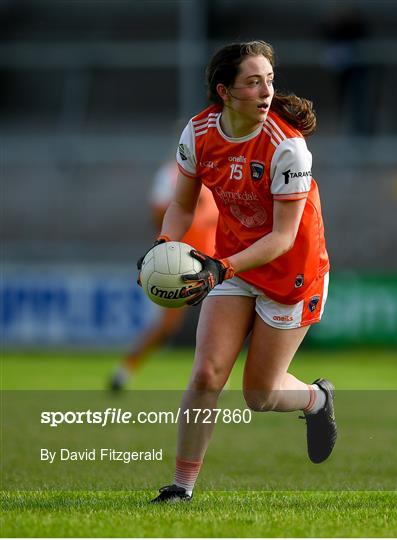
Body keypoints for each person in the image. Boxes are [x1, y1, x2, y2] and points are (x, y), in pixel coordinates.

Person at [144, 40, 337, 503]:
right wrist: (164, 248)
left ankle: (317, 399)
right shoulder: (198, 133)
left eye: (269, 80)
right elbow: (181, 203)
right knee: (207, 375)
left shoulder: (287, 146)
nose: (266, 91)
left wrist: (220, 267)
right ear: (224, 91)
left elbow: (284, 239)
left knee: (260, 394)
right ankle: (181, 487)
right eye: (253, 82)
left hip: (292, 273)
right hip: (232, 266)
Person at [109, 160, 218, 390]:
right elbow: (157, 214)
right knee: (167, 325)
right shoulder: (171, 175)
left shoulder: (222, 171)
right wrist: (187, 203)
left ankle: (215, 376)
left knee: (220, 323)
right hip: (180, 263)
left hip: (216, 262)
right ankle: (124, 370)